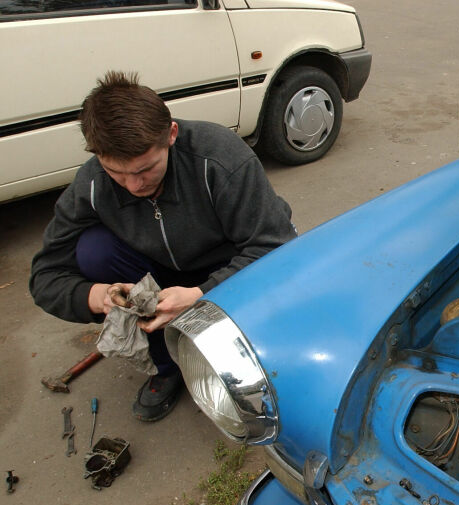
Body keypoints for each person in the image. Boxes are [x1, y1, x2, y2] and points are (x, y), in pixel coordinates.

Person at [30, 71, 297, 421]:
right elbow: (45, 276)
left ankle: (245, 350)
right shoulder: (92, 184)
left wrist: (203, 294)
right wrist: (101, 297)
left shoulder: (219, 158)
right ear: (97, 156)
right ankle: (169, 366)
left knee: (266, 346)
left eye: (145, 169)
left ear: (170, 134)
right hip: (159, 271)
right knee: (94, 250)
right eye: (117, 173)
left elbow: (276, 246)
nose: (133, 185)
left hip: (229, 264)